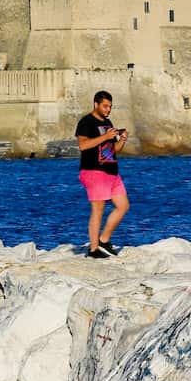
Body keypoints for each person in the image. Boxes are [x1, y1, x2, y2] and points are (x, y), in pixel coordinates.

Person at [75, 90, 130, 258]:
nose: (108, 110)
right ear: (96, 104)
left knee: (123, 206)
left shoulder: (107, 122)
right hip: (94, 171)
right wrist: (105, 136)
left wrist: (122, 139)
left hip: (112, 172)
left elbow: (115, 149)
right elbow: (83, 146)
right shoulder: (86, 122)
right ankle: (93, 249)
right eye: (105, 106)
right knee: (98, 210)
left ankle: (104, 240)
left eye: (110, 107)